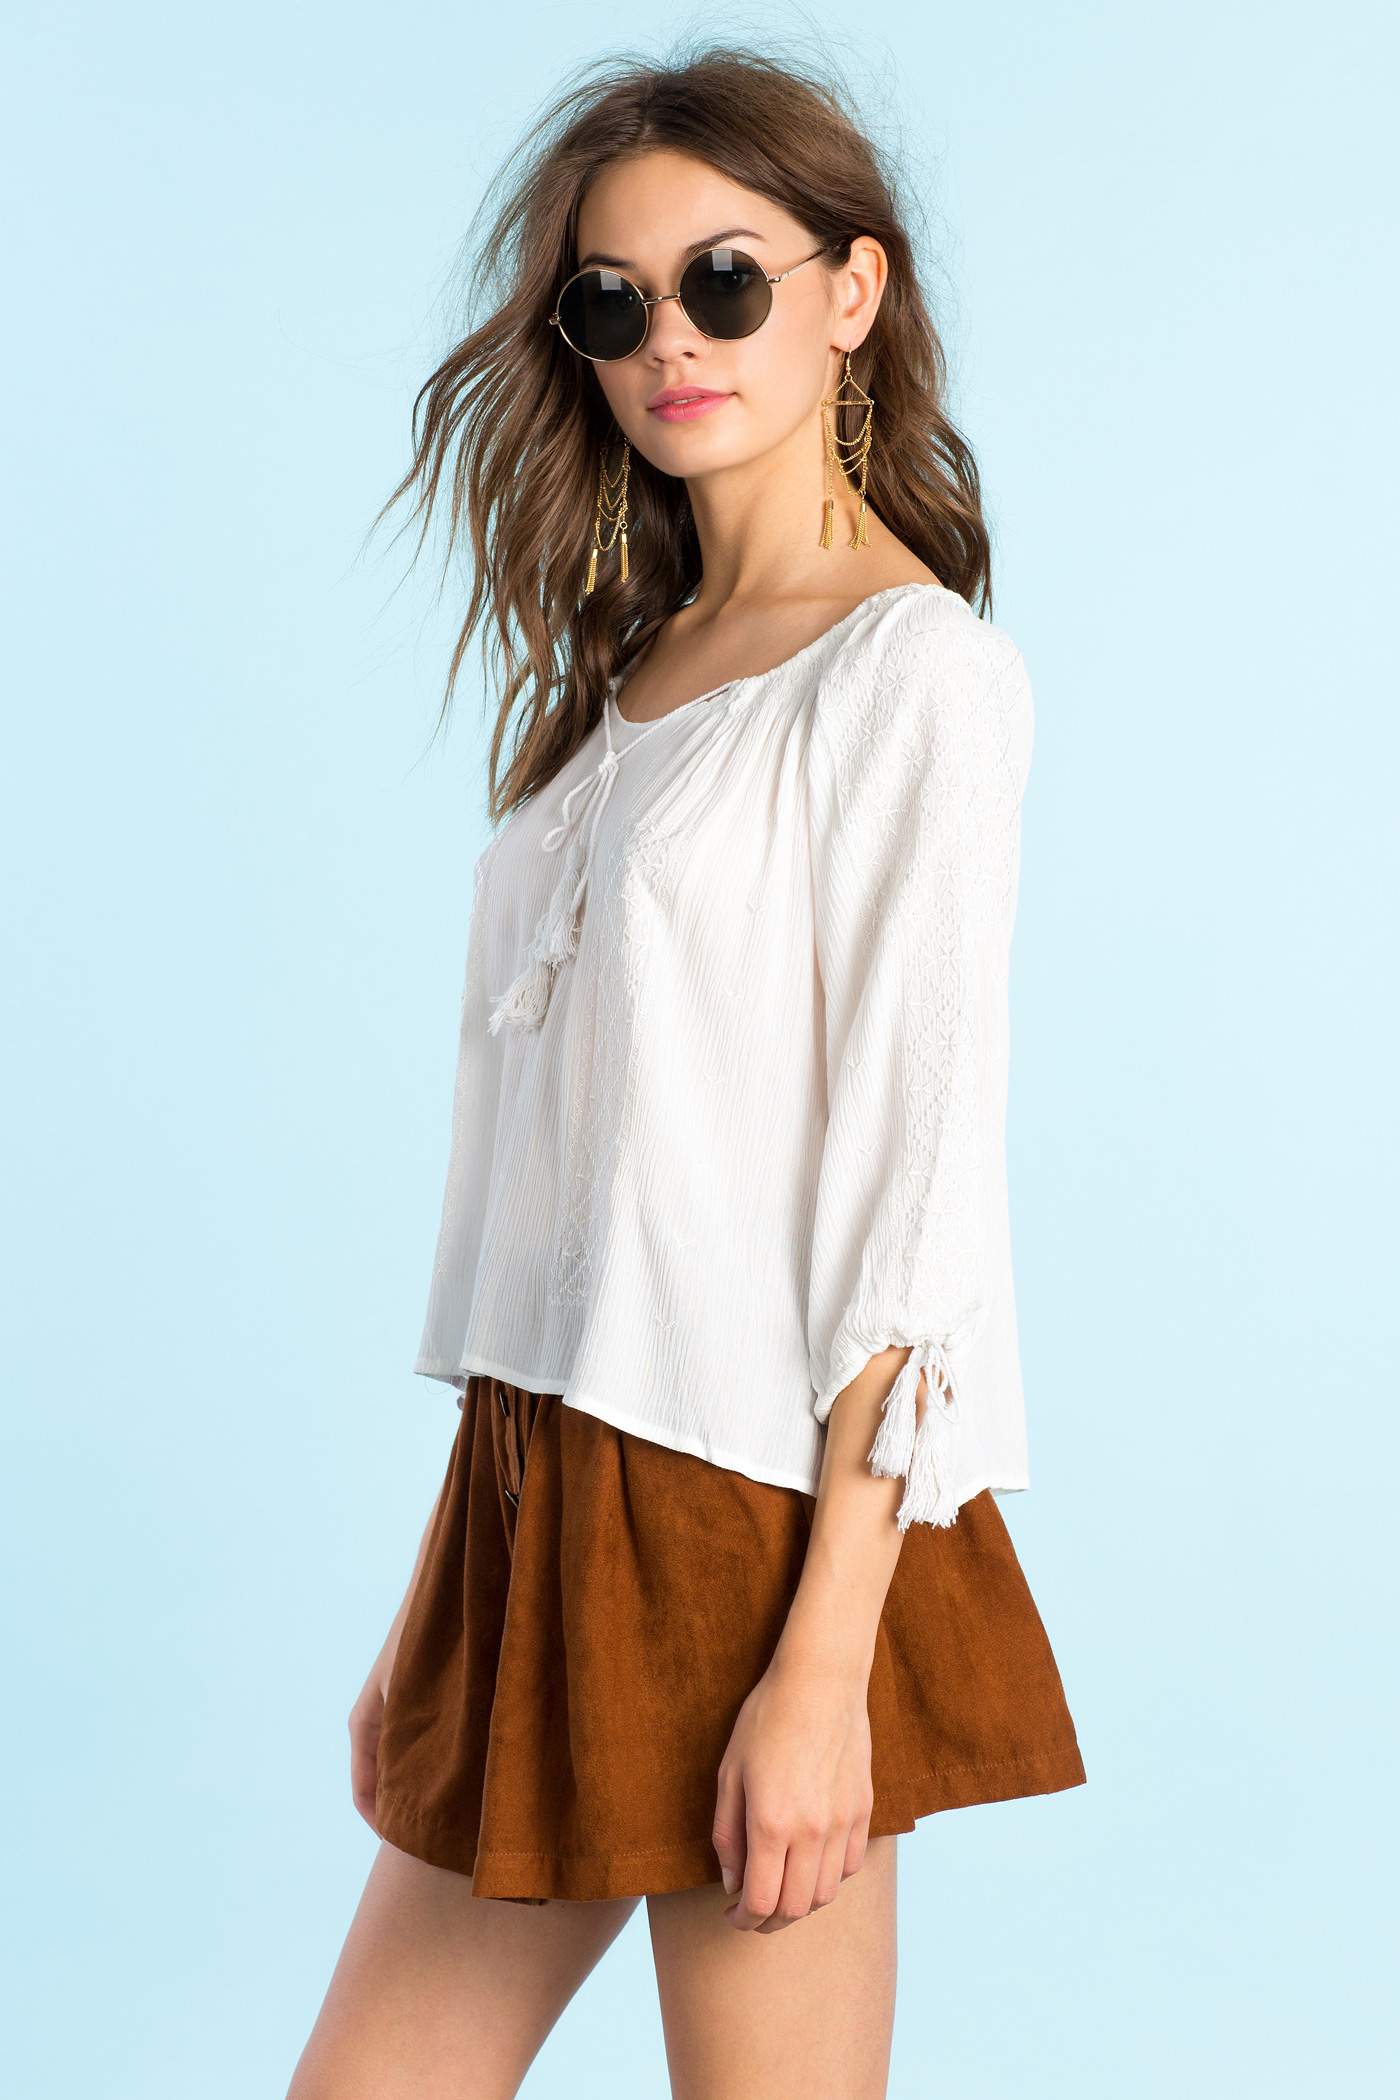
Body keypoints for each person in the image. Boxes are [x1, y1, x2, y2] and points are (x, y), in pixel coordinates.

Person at [287, 43, 1084, 2100]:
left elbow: (915, 1205)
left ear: (852, 291)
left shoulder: (910, 676)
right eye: (611, 301)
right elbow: (571, 1206)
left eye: (724, 280)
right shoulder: (623, 674)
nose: (670, 342)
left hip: (759, 1512)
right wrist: (438, 1608)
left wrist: (824, 1668)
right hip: (541, 1497)